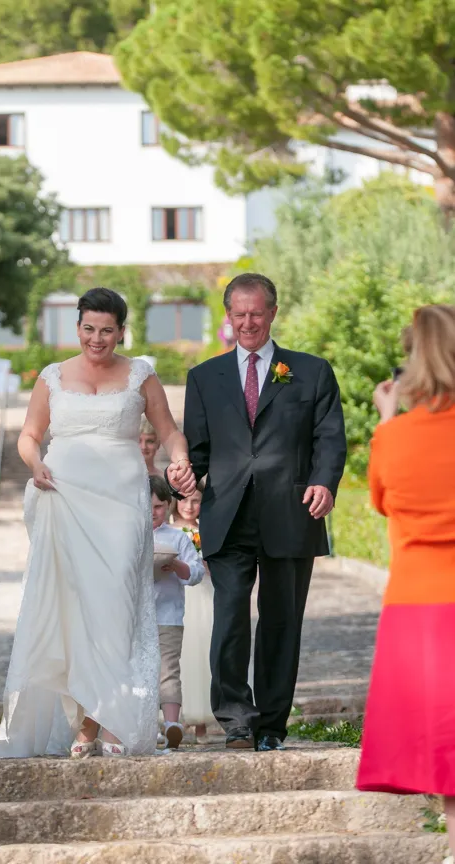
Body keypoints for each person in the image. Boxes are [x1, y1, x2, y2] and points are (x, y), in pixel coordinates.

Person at [0, 287, 195, 759]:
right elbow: (29, 434)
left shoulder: (140, 375)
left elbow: (168, 430)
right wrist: (34, 463)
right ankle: (87, 725)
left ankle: (114, 719)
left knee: (117, 606)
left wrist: (180, 460)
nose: (96, 339)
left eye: (107, 330)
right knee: (77, 612)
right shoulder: (53, 376)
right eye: (88, 328)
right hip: (66, 499)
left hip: (124, 504)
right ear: (77, 326)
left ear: (122, 331)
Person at [168, 272, 347, 752]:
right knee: (229, 617)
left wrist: (324, 484)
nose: (248, 322)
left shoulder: (311, 371)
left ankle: (270, 723)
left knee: (281, 621)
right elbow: (198, 452)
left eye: (257, 312)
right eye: (239, 313)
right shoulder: (204, 377)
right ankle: (236, 718)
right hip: (227, 514)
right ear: (228, 317)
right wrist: (180, 476)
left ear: (272, 312)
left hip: (292, 511)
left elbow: (329, 439)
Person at [356, 304, 455, 862]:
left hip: (416, 606)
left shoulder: (393, 439)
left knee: (445, 746)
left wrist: (389, 419)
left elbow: (382, 500)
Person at [151, 475, 205, 750]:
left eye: (159, 506)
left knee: (168, 670)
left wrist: (179, 567)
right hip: (135, 618)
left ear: (168, 506)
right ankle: (145, 726)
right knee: (139, 672)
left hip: (169, 616)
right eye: (146, 506)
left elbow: (195, 572)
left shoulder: (178, 538)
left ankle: (173, 723)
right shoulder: (130, 536)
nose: (152, 512)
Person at [172, 482, 215, 743]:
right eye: (185, 500)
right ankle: (175, 718)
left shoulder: (205, 531)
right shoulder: (169, 531)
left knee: (201, 653)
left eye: (196, 500)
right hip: (178, 595)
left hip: (204, 595)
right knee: (178, 654)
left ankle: (201, 724)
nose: (189, 506)